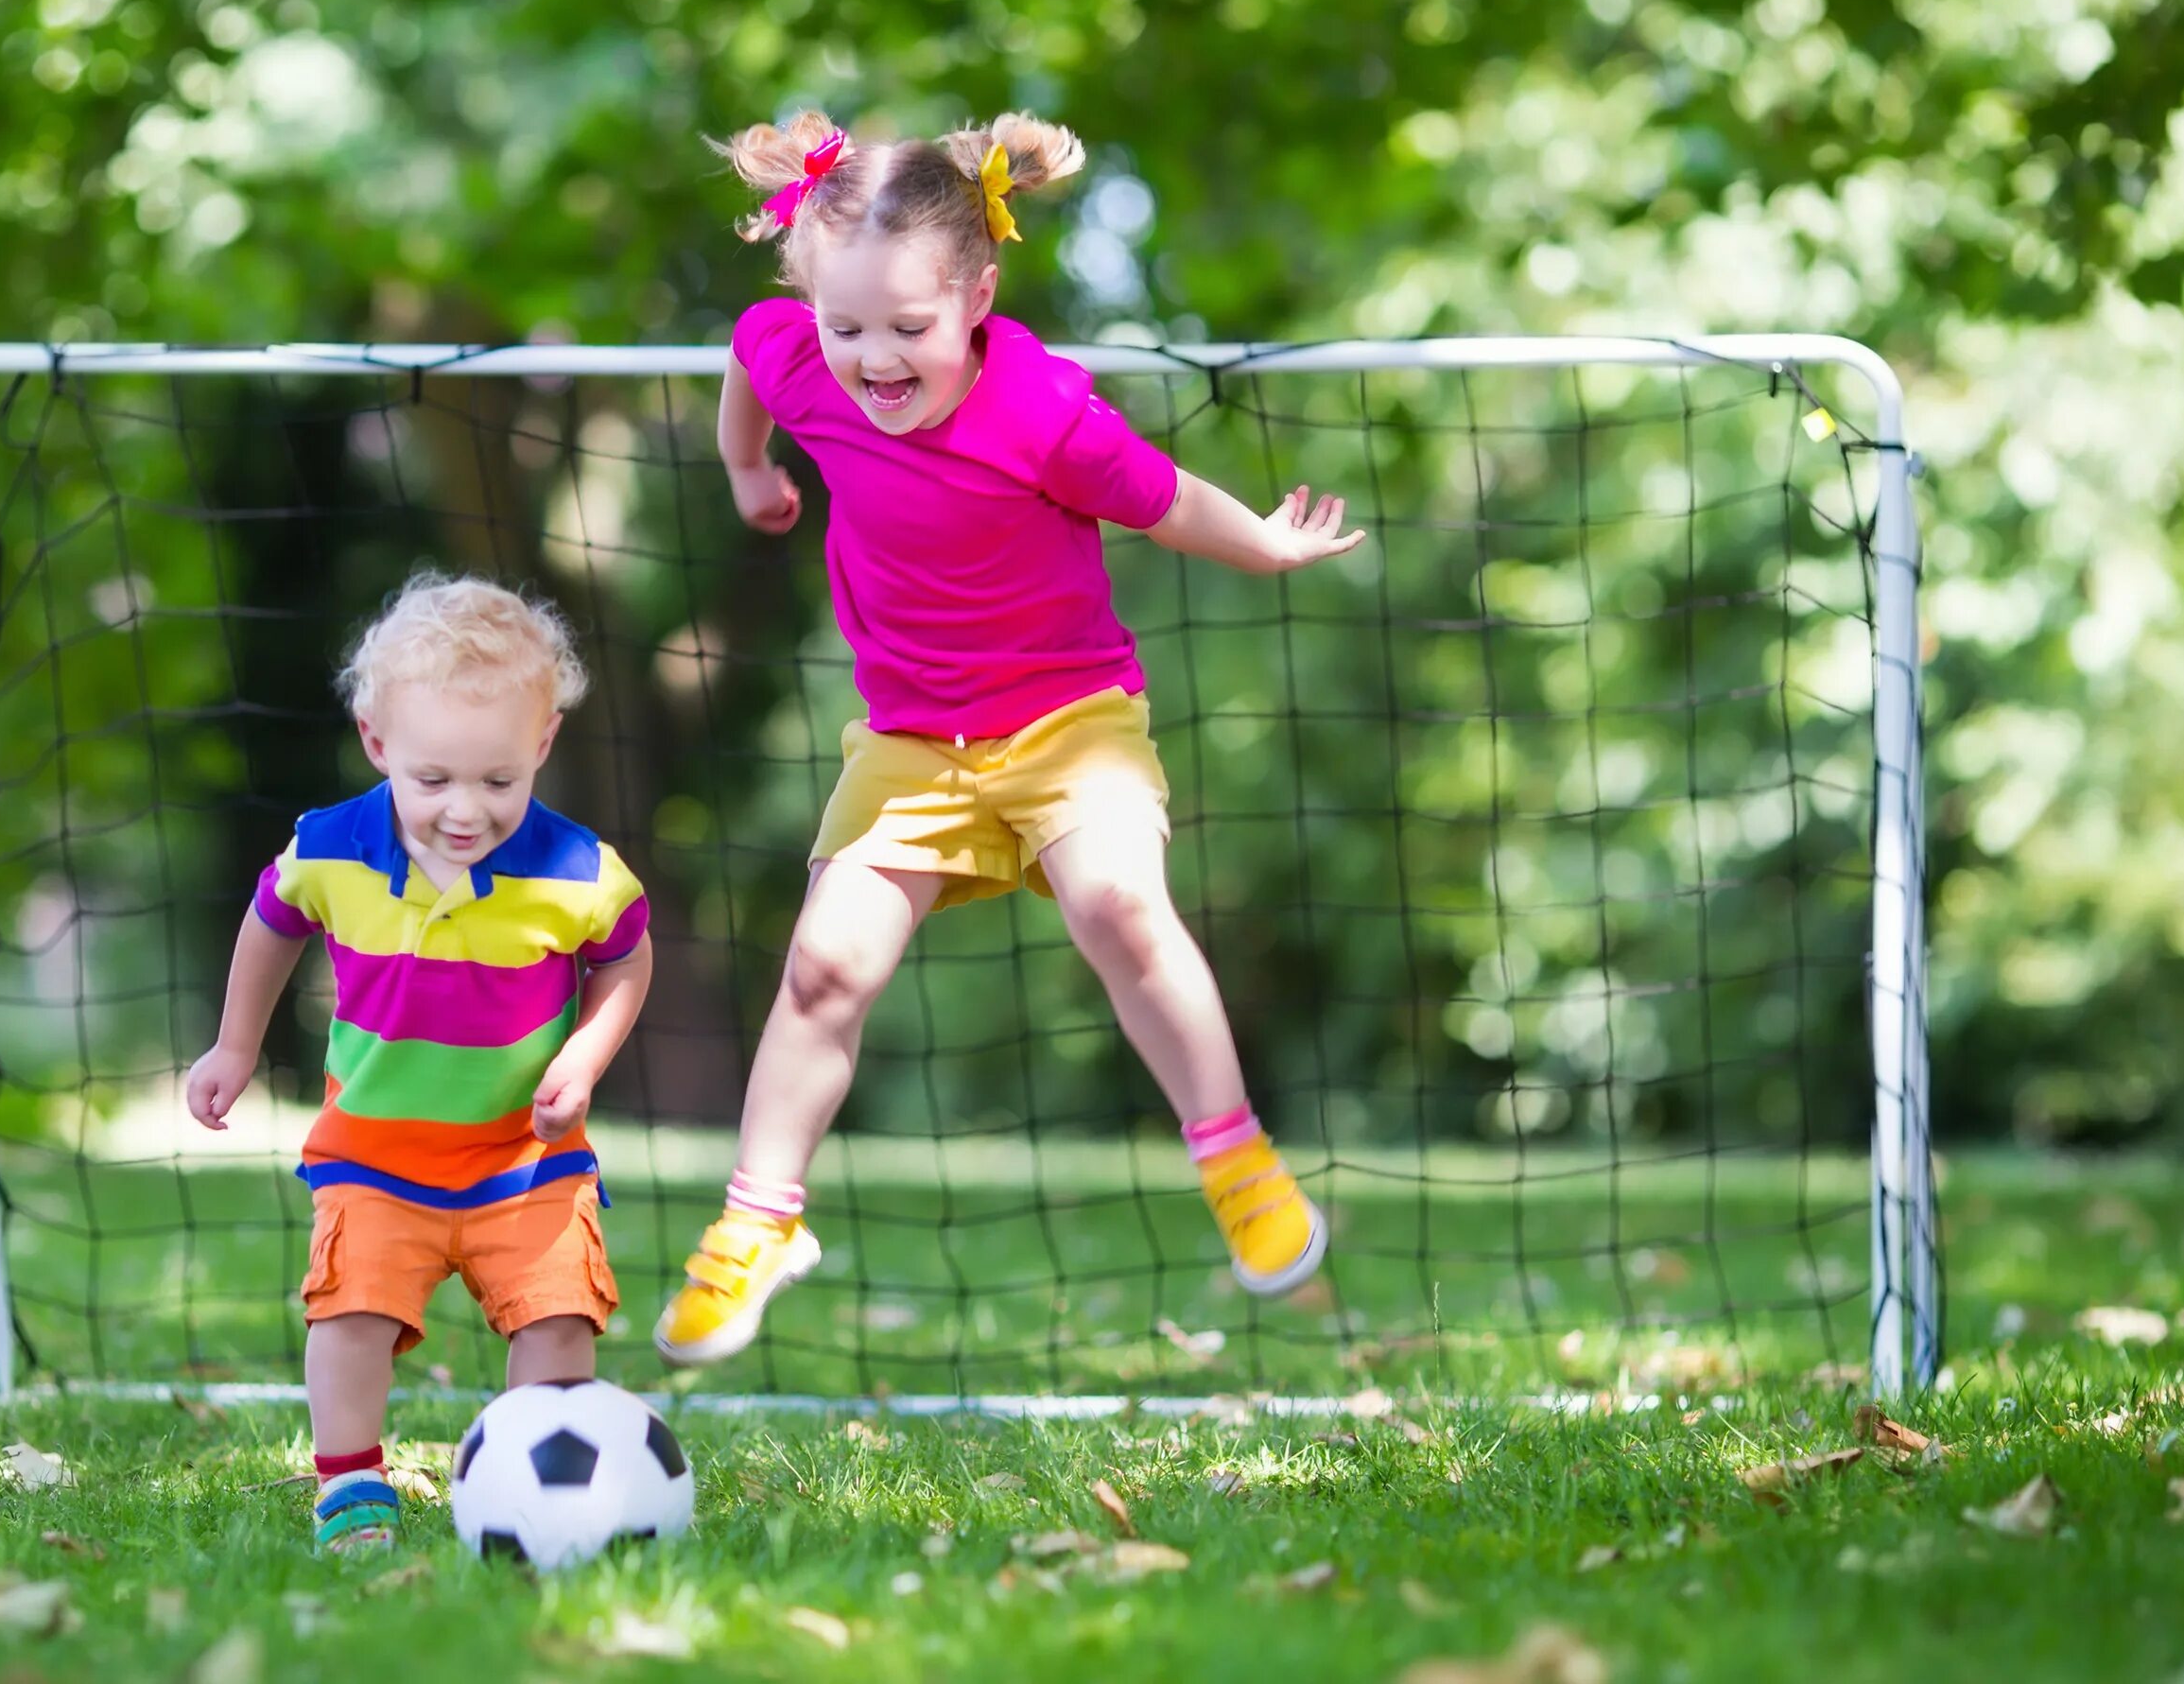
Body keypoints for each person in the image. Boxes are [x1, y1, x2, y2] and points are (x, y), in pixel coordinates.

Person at [653, 110, 1365, 1367]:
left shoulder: (1044, 413)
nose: (875, 359)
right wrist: (747, 474)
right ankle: (757, 1226)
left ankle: (1238, 1163)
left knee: (1123, 914)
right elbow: (752, 361)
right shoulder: (798, 352)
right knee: (824, 968)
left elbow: (1161, 495)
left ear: (978, 296)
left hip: (1068, 723)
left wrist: (1265, 541)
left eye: (910, 330)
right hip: (913, 744)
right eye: (848, 325)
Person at [184, 574, 651, 1552]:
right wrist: (236, 1041)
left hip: (524, 1155)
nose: (466, 810)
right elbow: (272, 923)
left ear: (542, 746)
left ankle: (535, 1491)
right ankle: (352, 1487)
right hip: (373, 1153)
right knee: (348, 1316)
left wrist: (586, 1051)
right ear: (377, 742)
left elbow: (626, 956)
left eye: (498, 781)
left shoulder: (576, 869)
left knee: (560, 1320)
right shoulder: (331, 848)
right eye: (433, 780)